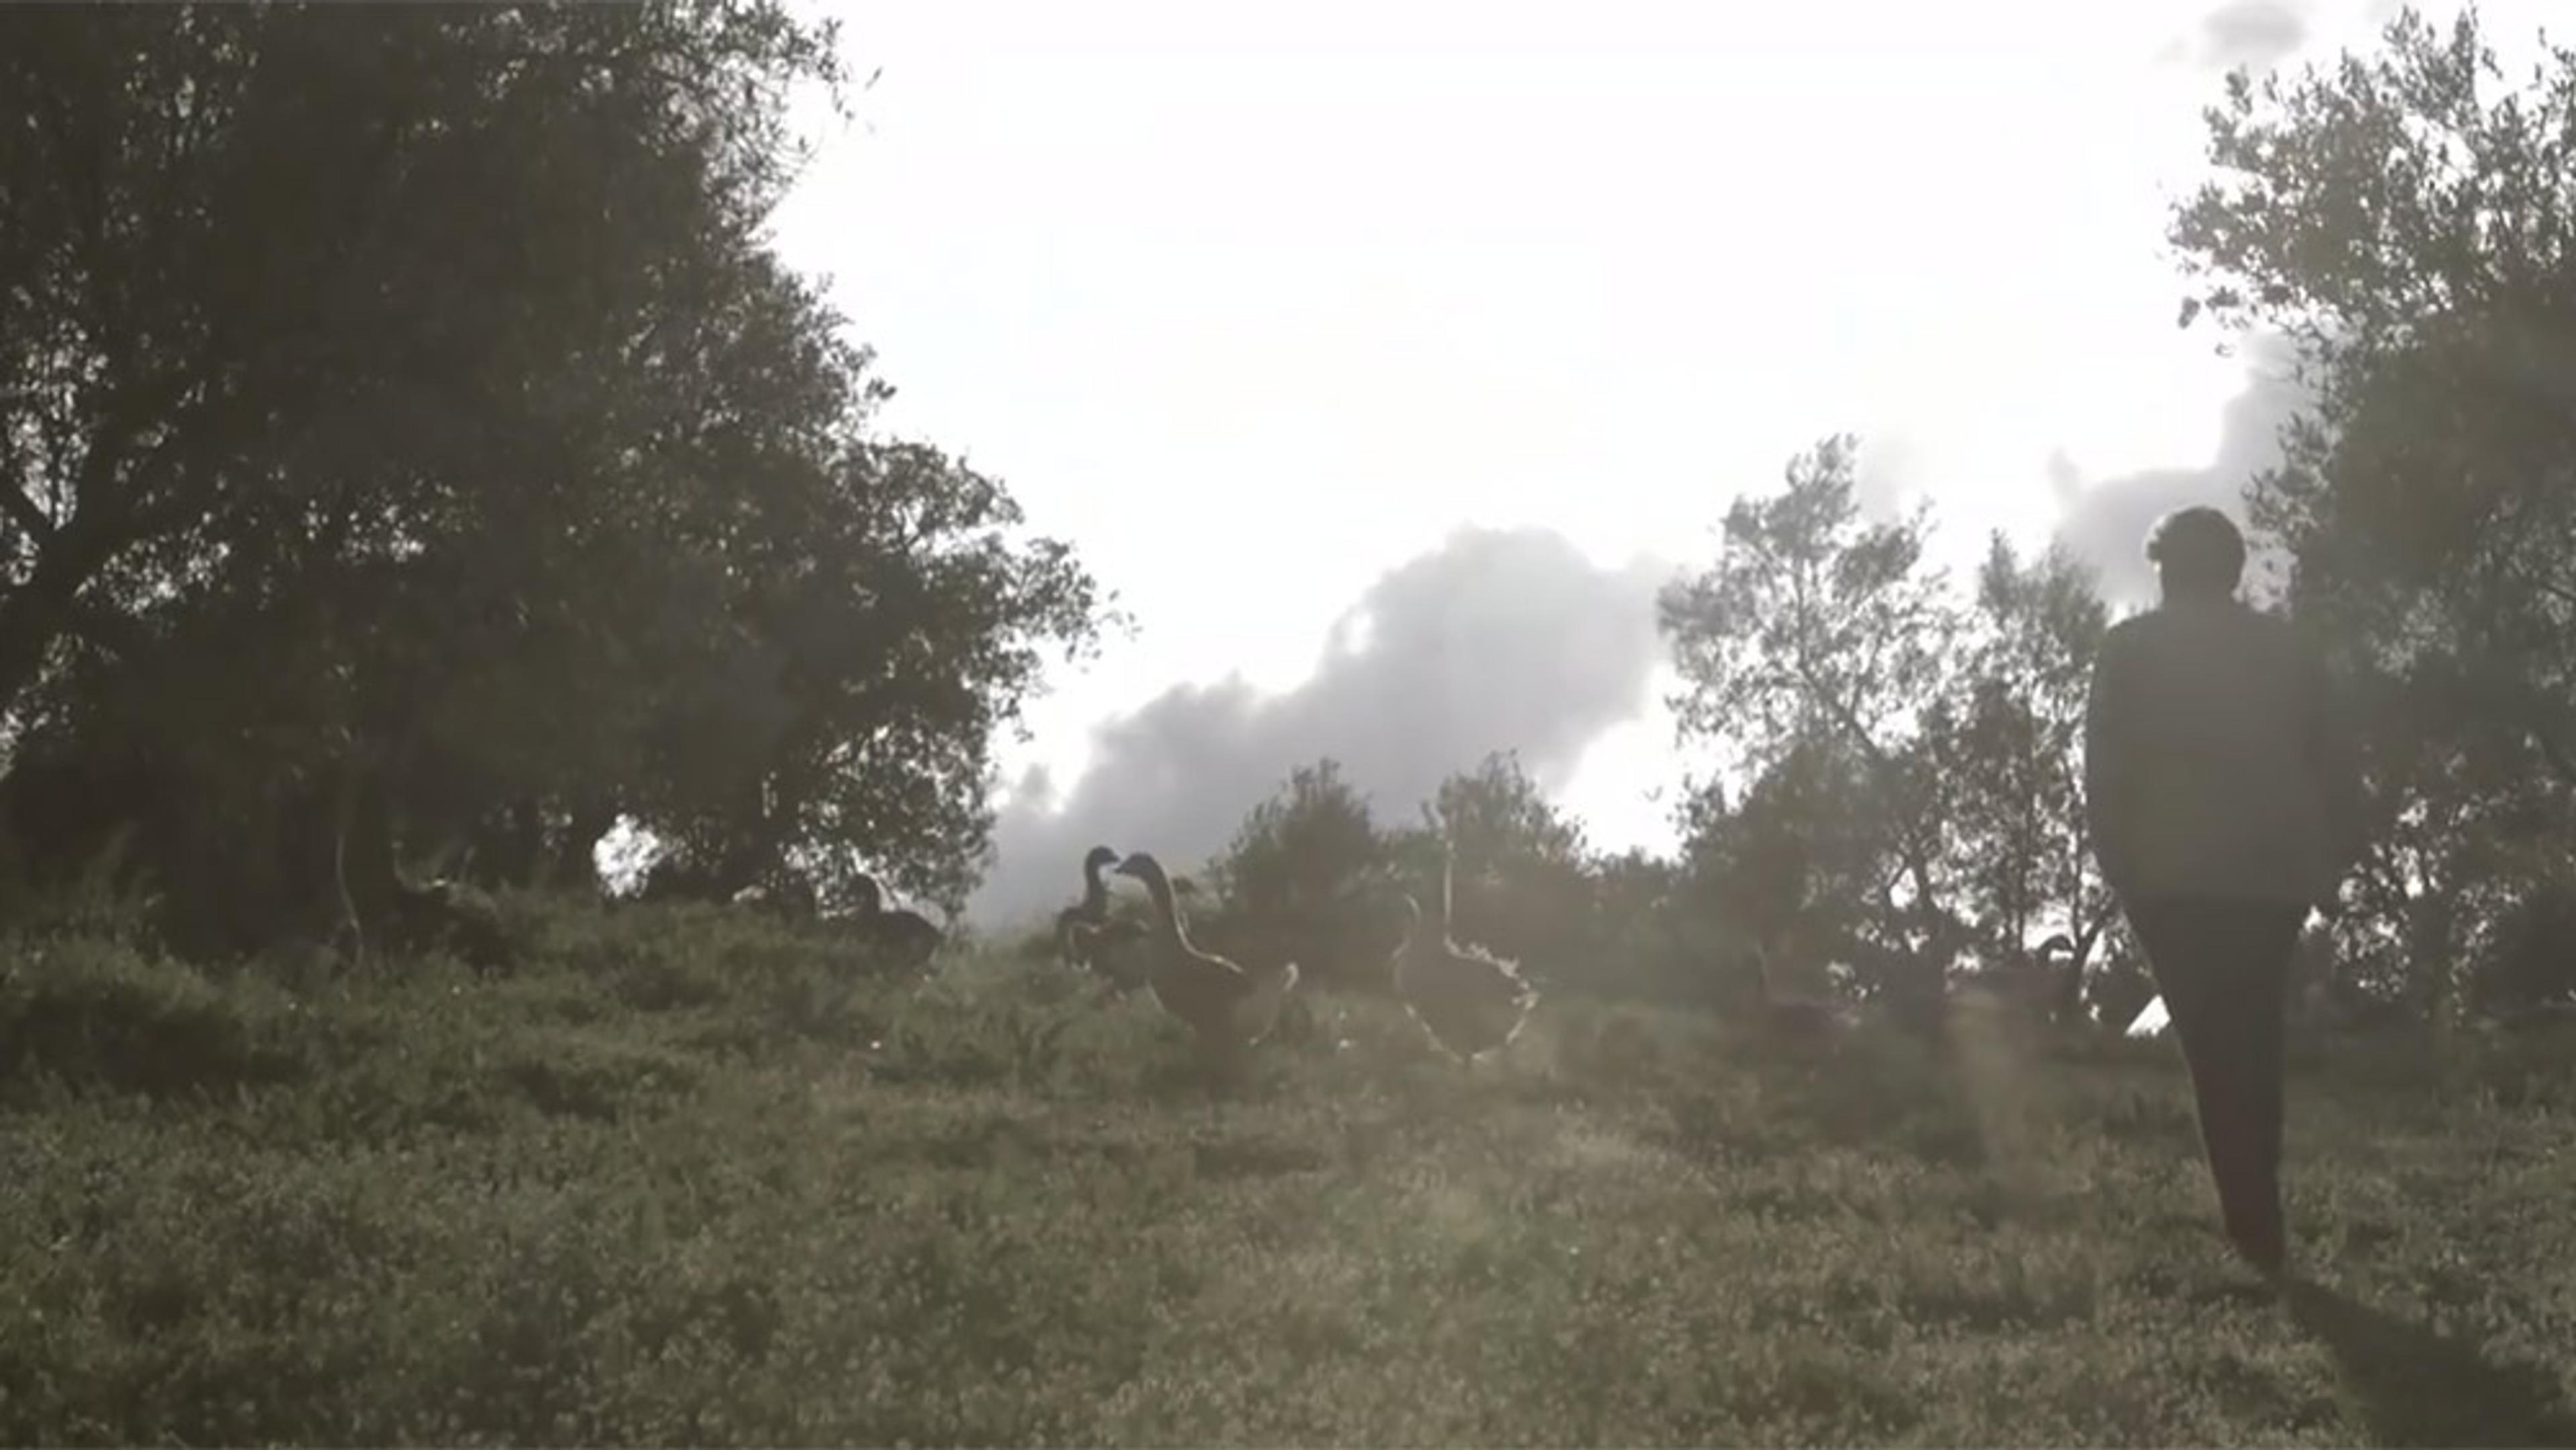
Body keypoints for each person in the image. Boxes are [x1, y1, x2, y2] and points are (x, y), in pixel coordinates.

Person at [2082, 506, 2367, 1276]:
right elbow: (2336, 760)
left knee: (2213, 1046)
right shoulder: (2289, 652)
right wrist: (2332, 862)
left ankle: (2252, 1222)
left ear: (2165, 568)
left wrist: (2121, 867)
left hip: (2171, 882)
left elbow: (2105, 772)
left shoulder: (2129, 650)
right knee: (2253, 1036)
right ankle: (2257, 1214)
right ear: (2236, 570)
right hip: (2269, 879)